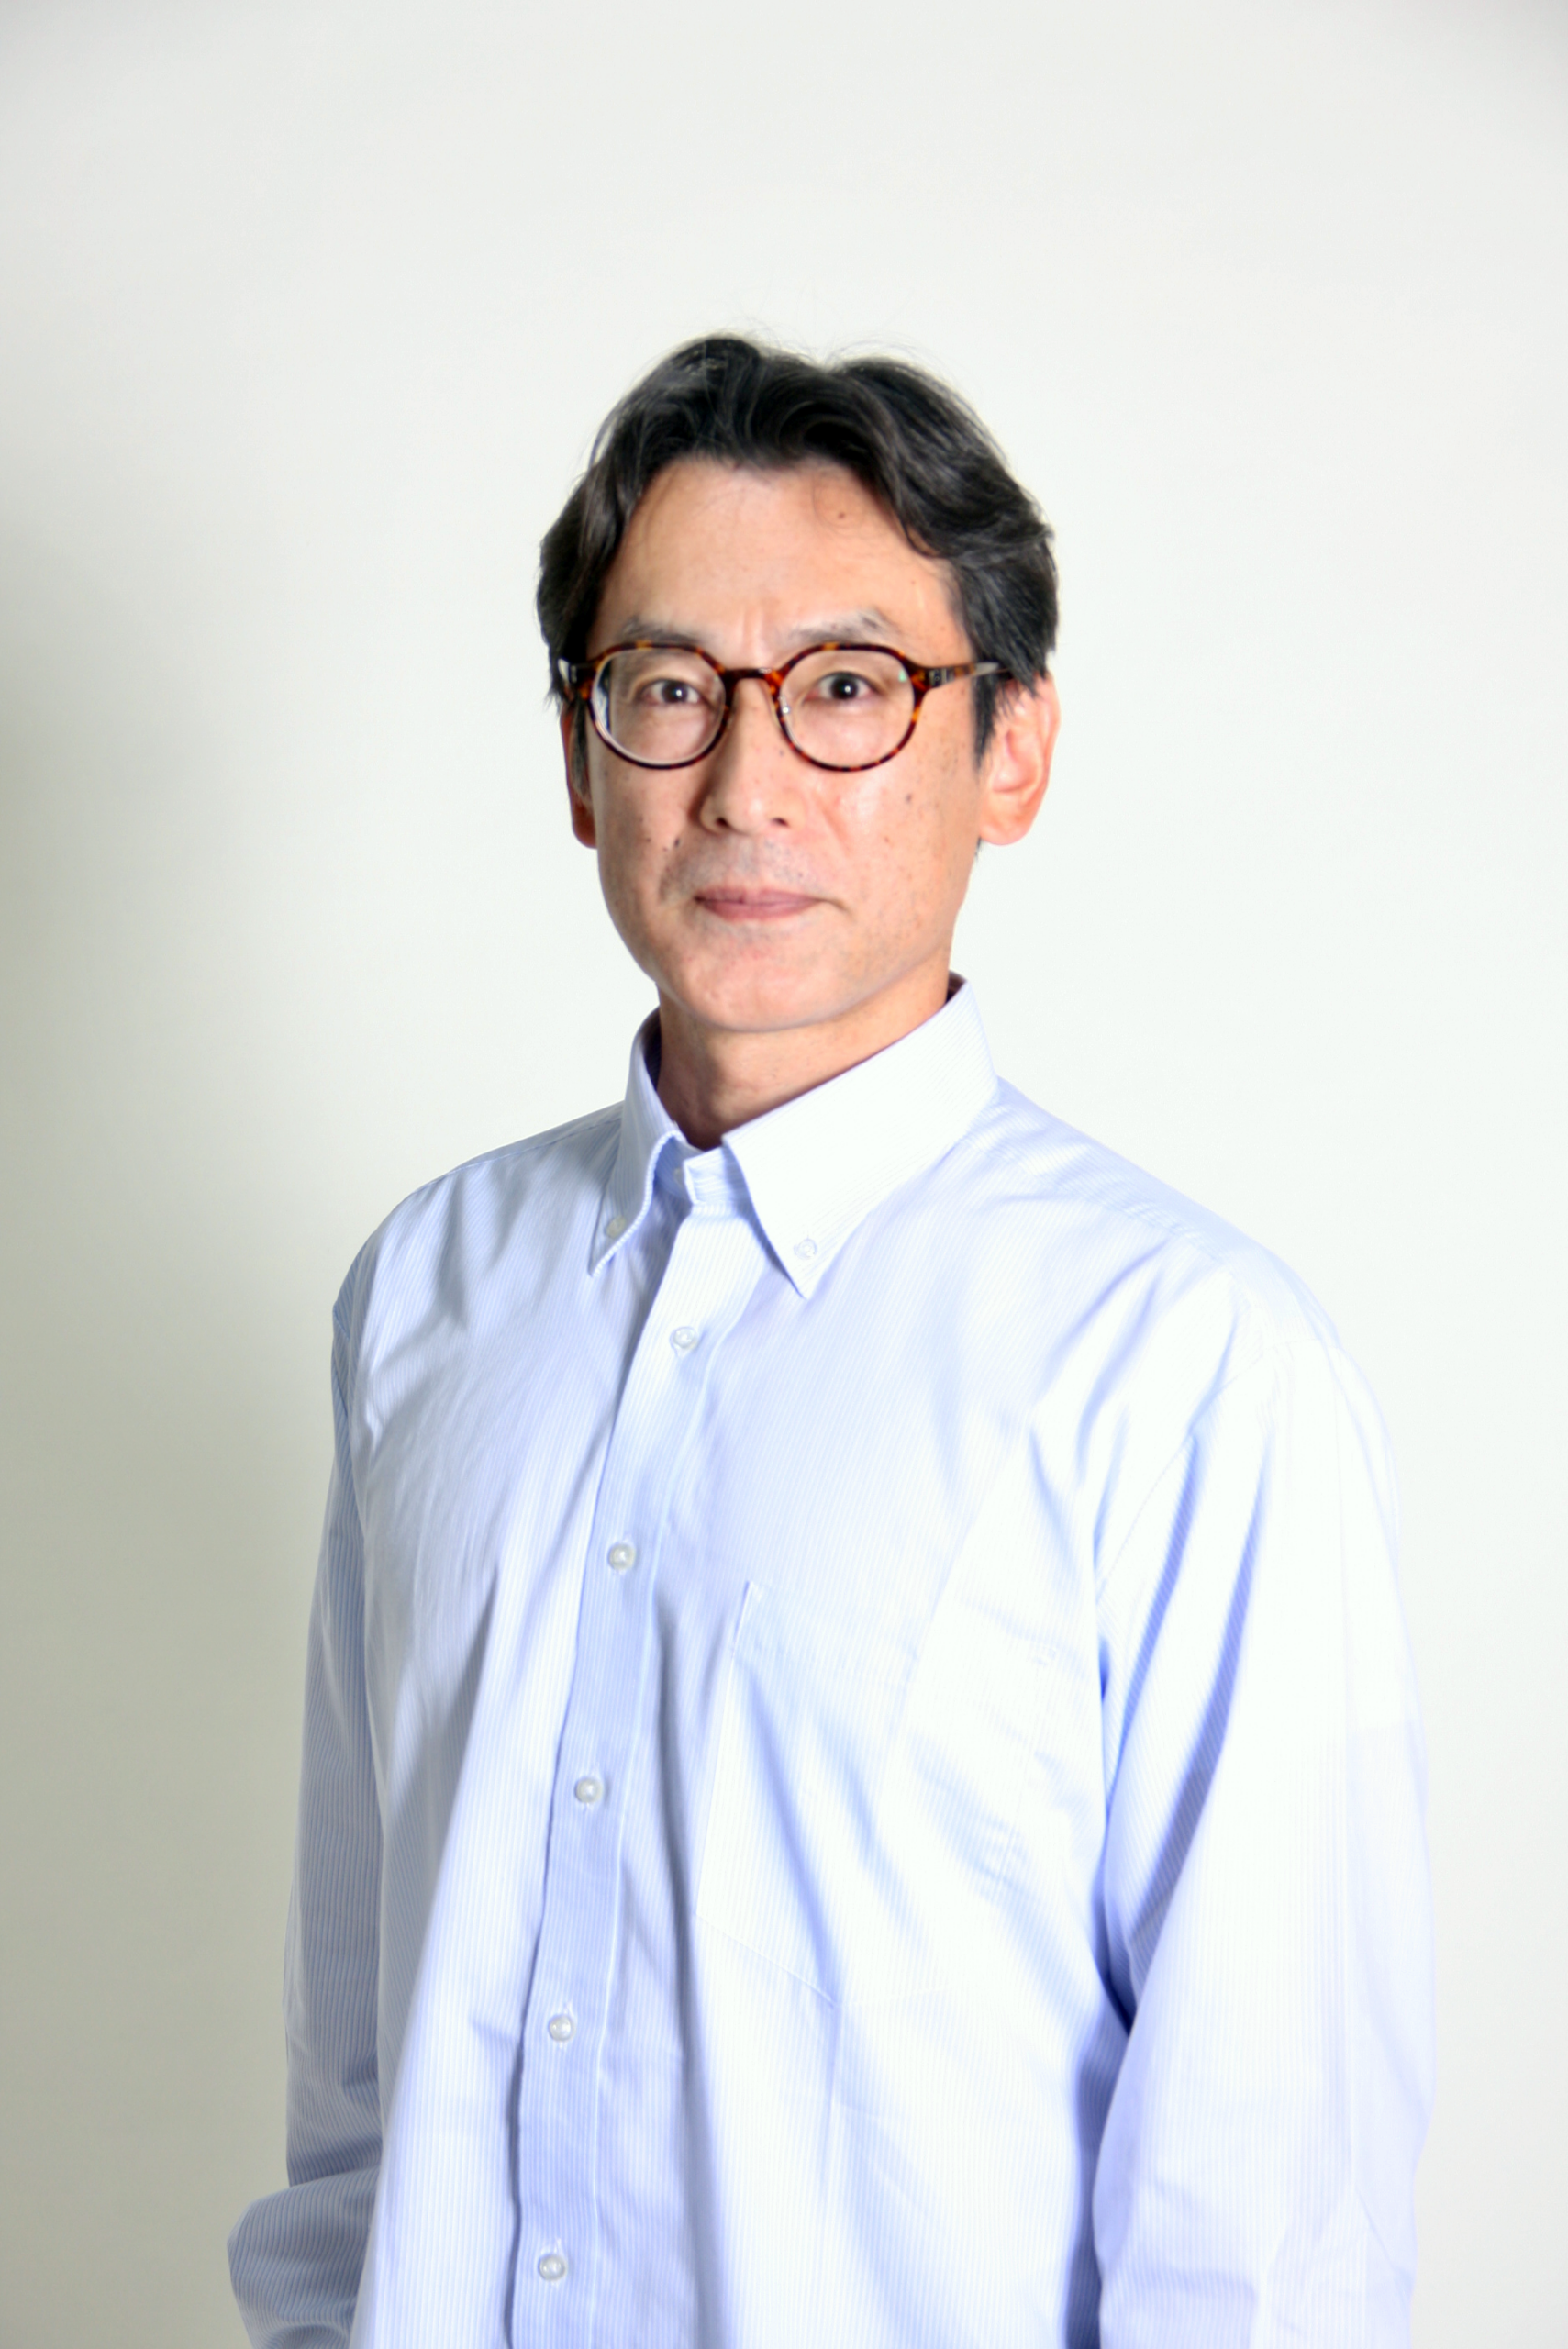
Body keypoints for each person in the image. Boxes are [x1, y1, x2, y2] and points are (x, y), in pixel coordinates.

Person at [229, 334, 1433, 2348]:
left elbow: (1263, 2233)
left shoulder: (1182, 1368)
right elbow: (358, 2105)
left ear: (1011, 749)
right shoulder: (425, 1296)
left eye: (850, 687)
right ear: (578, 758)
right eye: (667, 687)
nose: (746, 780)